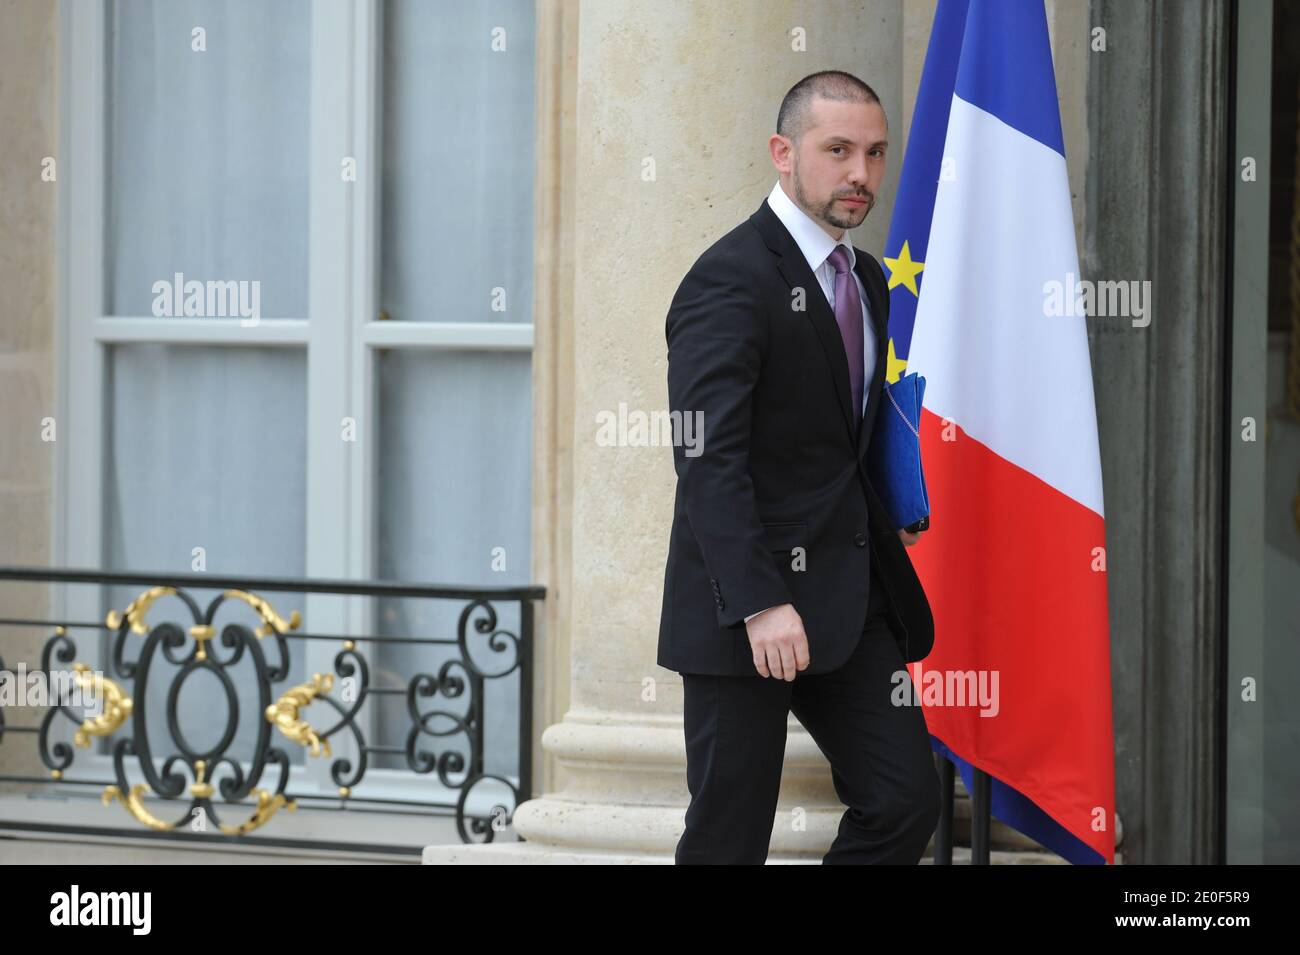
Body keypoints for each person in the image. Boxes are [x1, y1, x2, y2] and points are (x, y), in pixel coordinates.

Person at [657, 70, 941, 864]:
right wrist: (758, 603)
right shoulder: (729, 278)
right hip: (744, 608)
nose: (861, 174)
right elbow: (706, 457)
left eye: (876, 154)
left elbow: (839, 433)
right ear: (783, 153)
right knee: (728, 838)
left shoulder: (870, 281)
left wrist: (893, 501)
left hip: (850, 599)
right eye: (839, 150)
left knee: (905, 800)